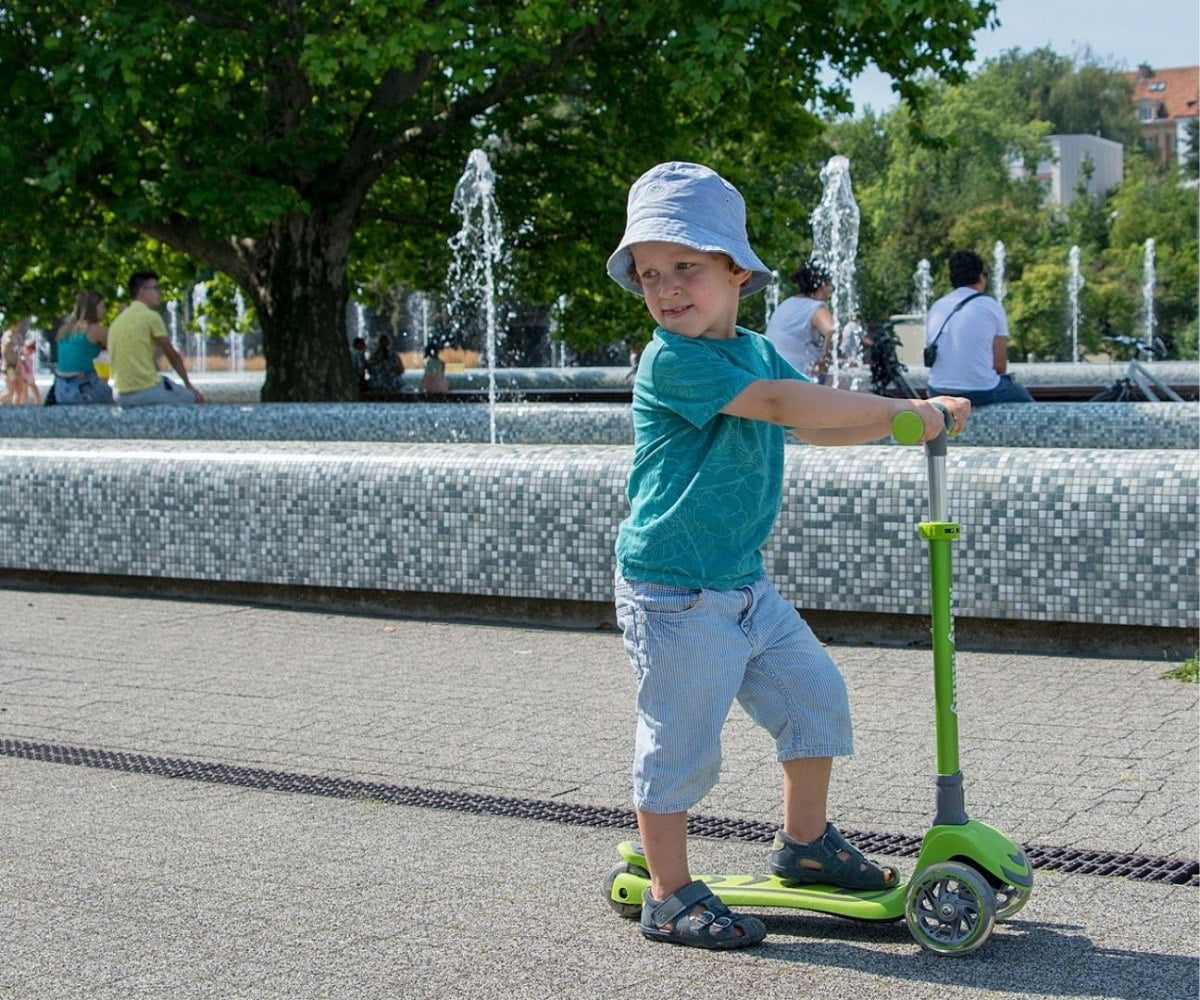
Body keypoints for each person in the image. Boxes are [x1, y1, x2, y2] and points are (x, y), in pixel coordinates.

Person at [606, 161, 969, 951]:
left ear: (738, 271)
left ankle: (805, 846)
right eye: (648, 274)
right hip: (674, 590)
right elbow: (780, 407)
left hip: (741, 584)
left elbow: (811, 421)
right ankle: (668, 894)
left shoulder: (757, 352)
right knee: (681, 746)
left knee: (815, 699)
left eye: (686, 269)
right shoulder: (674, 359)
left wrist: (904, 424)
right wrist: (911, 413)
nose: (666, 289)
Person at [924, 250, 1034, 406]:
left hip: (937, 389)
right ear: (981, 277)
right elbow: (1000, 365)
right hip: (980, 390)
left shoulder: (937, 307)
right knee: (1023, 398)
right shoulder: (991, 306)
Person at [107, 272, 204, 406]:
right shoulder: (150, 317)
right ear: (141, 292)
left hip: (120, 395)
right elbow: (171, 354)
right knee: (191, 399)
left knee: (165, 383)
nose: (160, 293)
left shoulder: (118, 320)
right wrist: (188, 385)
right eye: (156, 288)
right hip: (145, 392)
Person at [764, 259, 837, 380]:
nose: (831, 291)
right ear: (823, 285)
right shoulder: (814, 307)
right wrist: (825, 361)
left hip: (771, 372)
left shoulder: (786, 303)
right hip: (796, 377)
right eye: (831, 286)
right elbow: (832, 331)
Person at [53, 290, 114, 405]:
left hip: (60, 390)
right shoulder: (94, 330)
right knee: (120, 401)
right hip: (83, 388)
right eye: (103, 306)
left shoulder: (64, 330)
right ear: (93, 308)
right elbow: (118, 348)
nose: (105, 311)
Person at [0, 317, 31, 405]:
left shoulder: (18, 336)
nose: (18, 326)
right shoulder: (7, 336)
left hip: (18, 365)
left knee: (19, 389)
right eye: (16, 324)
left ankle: (17, 407)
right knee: (11, 390)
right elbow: (4, 353)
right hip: (10, 367)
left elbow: (21, 351)